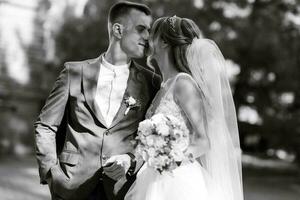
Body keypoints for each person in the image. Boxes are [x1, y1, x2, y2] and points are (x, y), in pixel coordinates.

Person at [34, 1, 160, 200]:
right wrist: (51, 173)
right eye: (141, 29)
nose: (147, 37)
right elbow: (46, 125)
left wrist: (131, 160)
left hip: (123, 189)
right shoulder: (73, 72)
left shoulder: (152, 82)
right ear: (118, 30)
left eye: (149, 30)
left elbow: (153, 135)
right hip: (71, 187)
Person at [125, 16, 244, 200]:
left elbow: (203, 141)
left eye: (152, 34)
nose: (147, 37)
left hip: (178, 181)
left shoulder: (184, 84)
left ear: (164, 42)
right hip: (153, 177)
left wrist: (170, 160)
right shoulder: (164, 86)